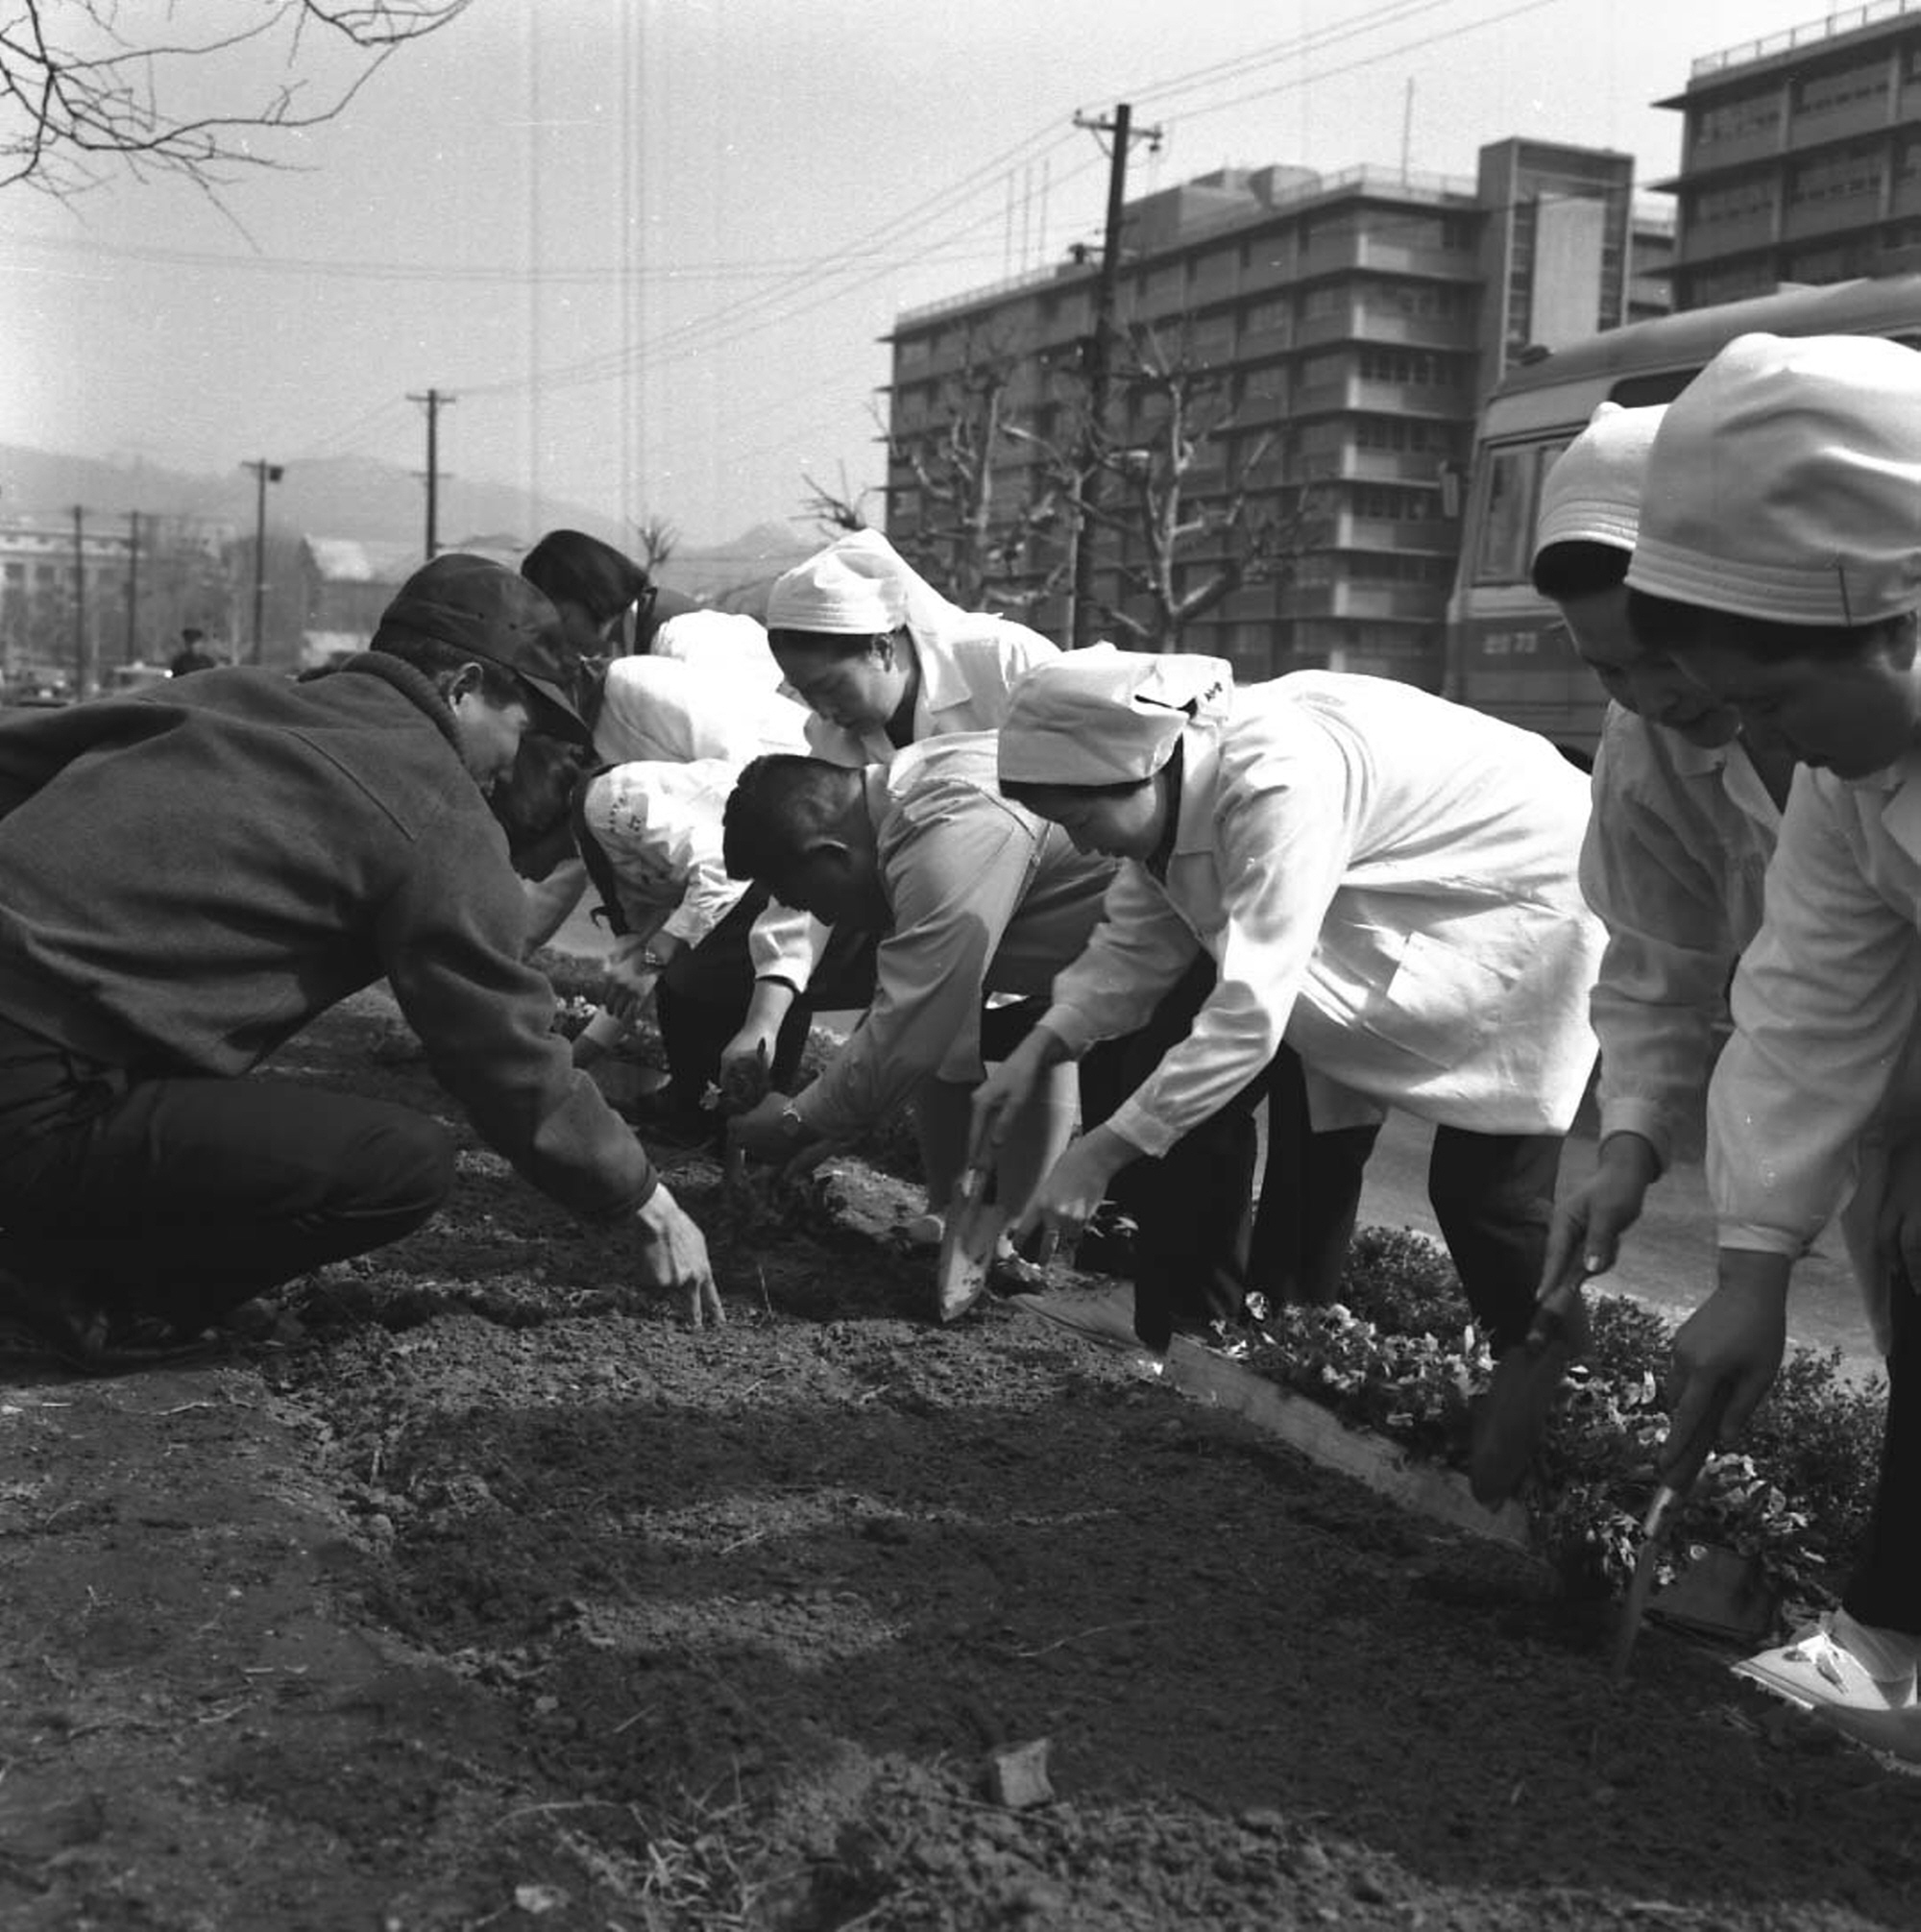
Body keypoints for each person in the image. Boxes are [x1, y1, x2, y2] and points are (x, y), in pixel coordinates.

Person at [0, 552, 719, 1370]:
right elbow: (504, 1052)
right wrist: (644, 1198)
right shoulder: (435, 805)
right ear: (463, 687)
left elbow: (15, 762)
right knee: (404, 1163)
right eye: (520, 721)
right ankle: (105, 1294)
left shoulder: (233, 694)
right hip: (31, 1093)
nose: (517, 758)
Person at [970, 648, 1606, 1355]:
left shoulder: (1274, 781)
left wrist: (1094, 1159)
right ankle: (1199, 1344)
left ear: (1142, 768)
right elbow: (1134, 951)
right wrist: (1040, 1048)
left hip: (1533, 897)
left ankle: (1567, 1408)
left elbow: (1247, 1020)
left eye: (1081, 820)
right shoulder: (1176, 792)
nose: (1081, 847)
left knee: (1488, 1197)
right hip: (1386, 892)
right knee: (1174, 1086)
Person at [1619, 330, 1921, 1747]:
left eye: (1778, 697)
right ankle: (1887, 1648)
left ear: (1902, 617)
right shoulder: (1859, 776)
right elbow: (1807, 994)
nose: (1759, 735)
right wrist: (1752, 1271)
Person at [721, 529, 1063, 1231]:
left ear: (882, 646)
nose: (821, 708)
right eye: (807, 694)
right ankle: (953, 1215)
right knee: (934, 1031)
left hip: (1046, 883)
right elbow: (807, 872)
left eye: (826, 686)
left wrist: (794, 1120)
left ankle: (1025, 1236)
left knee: (1046, 1035)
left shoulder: (1005, 663)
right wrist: (764, 1017)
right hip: (950, 898)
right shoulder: (834, 739)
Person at [1530, 403, 1797, 1292]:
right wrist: (1627, 1152)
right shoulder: (1644, 753)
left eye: (1662, 653)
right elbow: (1657, 962)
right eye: (1607, 669)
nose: (1650, 698)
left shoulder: (1861, 728)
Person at [718, 736, 1113, 1236]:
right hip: (1141, 959)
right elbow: (907, 1017)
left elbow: (916, 1018)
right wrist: (836, 1120)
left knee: (1180, 1148)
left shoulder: (948, 827)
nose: (822, 915)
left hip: (1200, 941)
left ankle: (1186, 1311)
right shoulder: (908, 798)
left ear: (830, 854)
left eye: (809, 899)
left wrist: (797, 1119)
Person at [520, 527, 781, 686]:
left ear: (592, 595)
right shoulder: (635, 635)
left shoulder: (681, 637)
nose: (564, 638)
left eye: (564, 618)